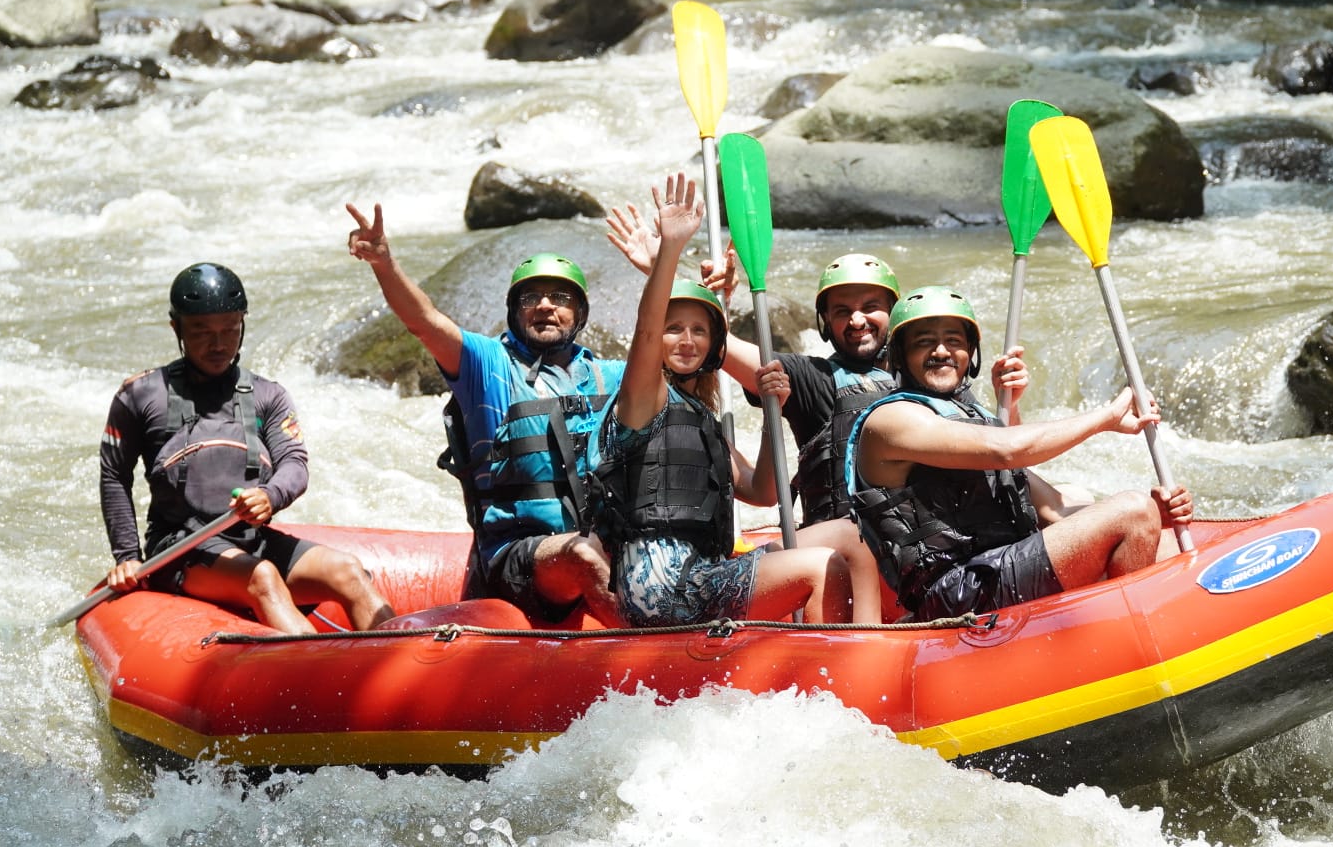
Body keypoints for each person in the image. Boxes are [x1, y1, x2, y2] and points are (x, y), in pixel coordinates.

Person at [607, 184, 1027, 623]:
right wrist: (674, 273)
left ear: (896, 316)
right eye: (842, 311)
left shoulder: (933, 374)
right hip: (862, 553)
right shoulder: (813, 378)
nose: (858, 319)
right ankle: (865, 656)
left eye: (871, 306)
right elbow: (696, 341)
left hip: (940, 548)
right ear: (825, 324)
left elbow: (1002, 462)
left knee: (1063, 498)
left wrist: (1009, 403)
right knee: (850, 539)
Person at [847, 284, 1193, 622]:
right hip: (953, 592)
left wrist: (1156, 515)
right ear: (898, 357)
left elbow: (1055, 509)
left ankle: (1119, 634)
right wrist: (1106, 418)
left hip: (991, 570)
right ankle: (1125, 640)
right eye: (924, 342)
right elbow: (1007, 451)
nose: (941, 351)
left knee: (1155, 533)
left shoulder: (974, 419)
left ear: (970, 353)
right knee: (1131, 510)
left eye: (953, 341)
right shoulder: (890, 420)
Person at [345, 203, 623, 625]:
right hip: (519, 557)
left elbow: (685, 354)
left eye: (561, 298)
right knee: (582, 554)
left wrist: (712, 295)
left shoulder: (610, 376)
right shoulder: (486, 364)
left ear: (580, 314)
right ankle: (664, 661)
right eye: (531, 297)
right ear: (514, 311)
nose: (546, 306)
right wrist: (384, 262)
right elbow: (424, 321)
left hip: (603, 541)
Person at [591, 181, 851, 626]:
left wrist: (776, 410)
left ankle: (869, 644)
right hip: (659, 587)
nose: (687, 340)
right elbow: (647, 334)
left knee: (847, 537)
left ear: (715, 343)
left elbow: (764, 490)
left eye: (699, 330)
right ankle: (836, 677)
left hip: (703, 574)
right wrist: (669, 253)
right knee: (822, 566)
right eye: (676, 328)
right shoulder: (644, 400)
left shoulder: (700, 419)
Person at [99, 262, 395, 634]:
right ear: (177, 328)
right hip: (180, 551)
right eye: (202, 331)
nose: (219, 344)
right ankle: (318, 674)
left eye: (230, 329)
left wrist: (270, 496)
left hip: (249, 540)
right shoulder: (140, 395)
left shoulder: (268, 395)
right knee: (264, 578)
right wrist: (127, 557)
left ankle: (401, 672)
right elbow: (114, 475)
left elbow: (294, 463)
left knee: (348, 571)